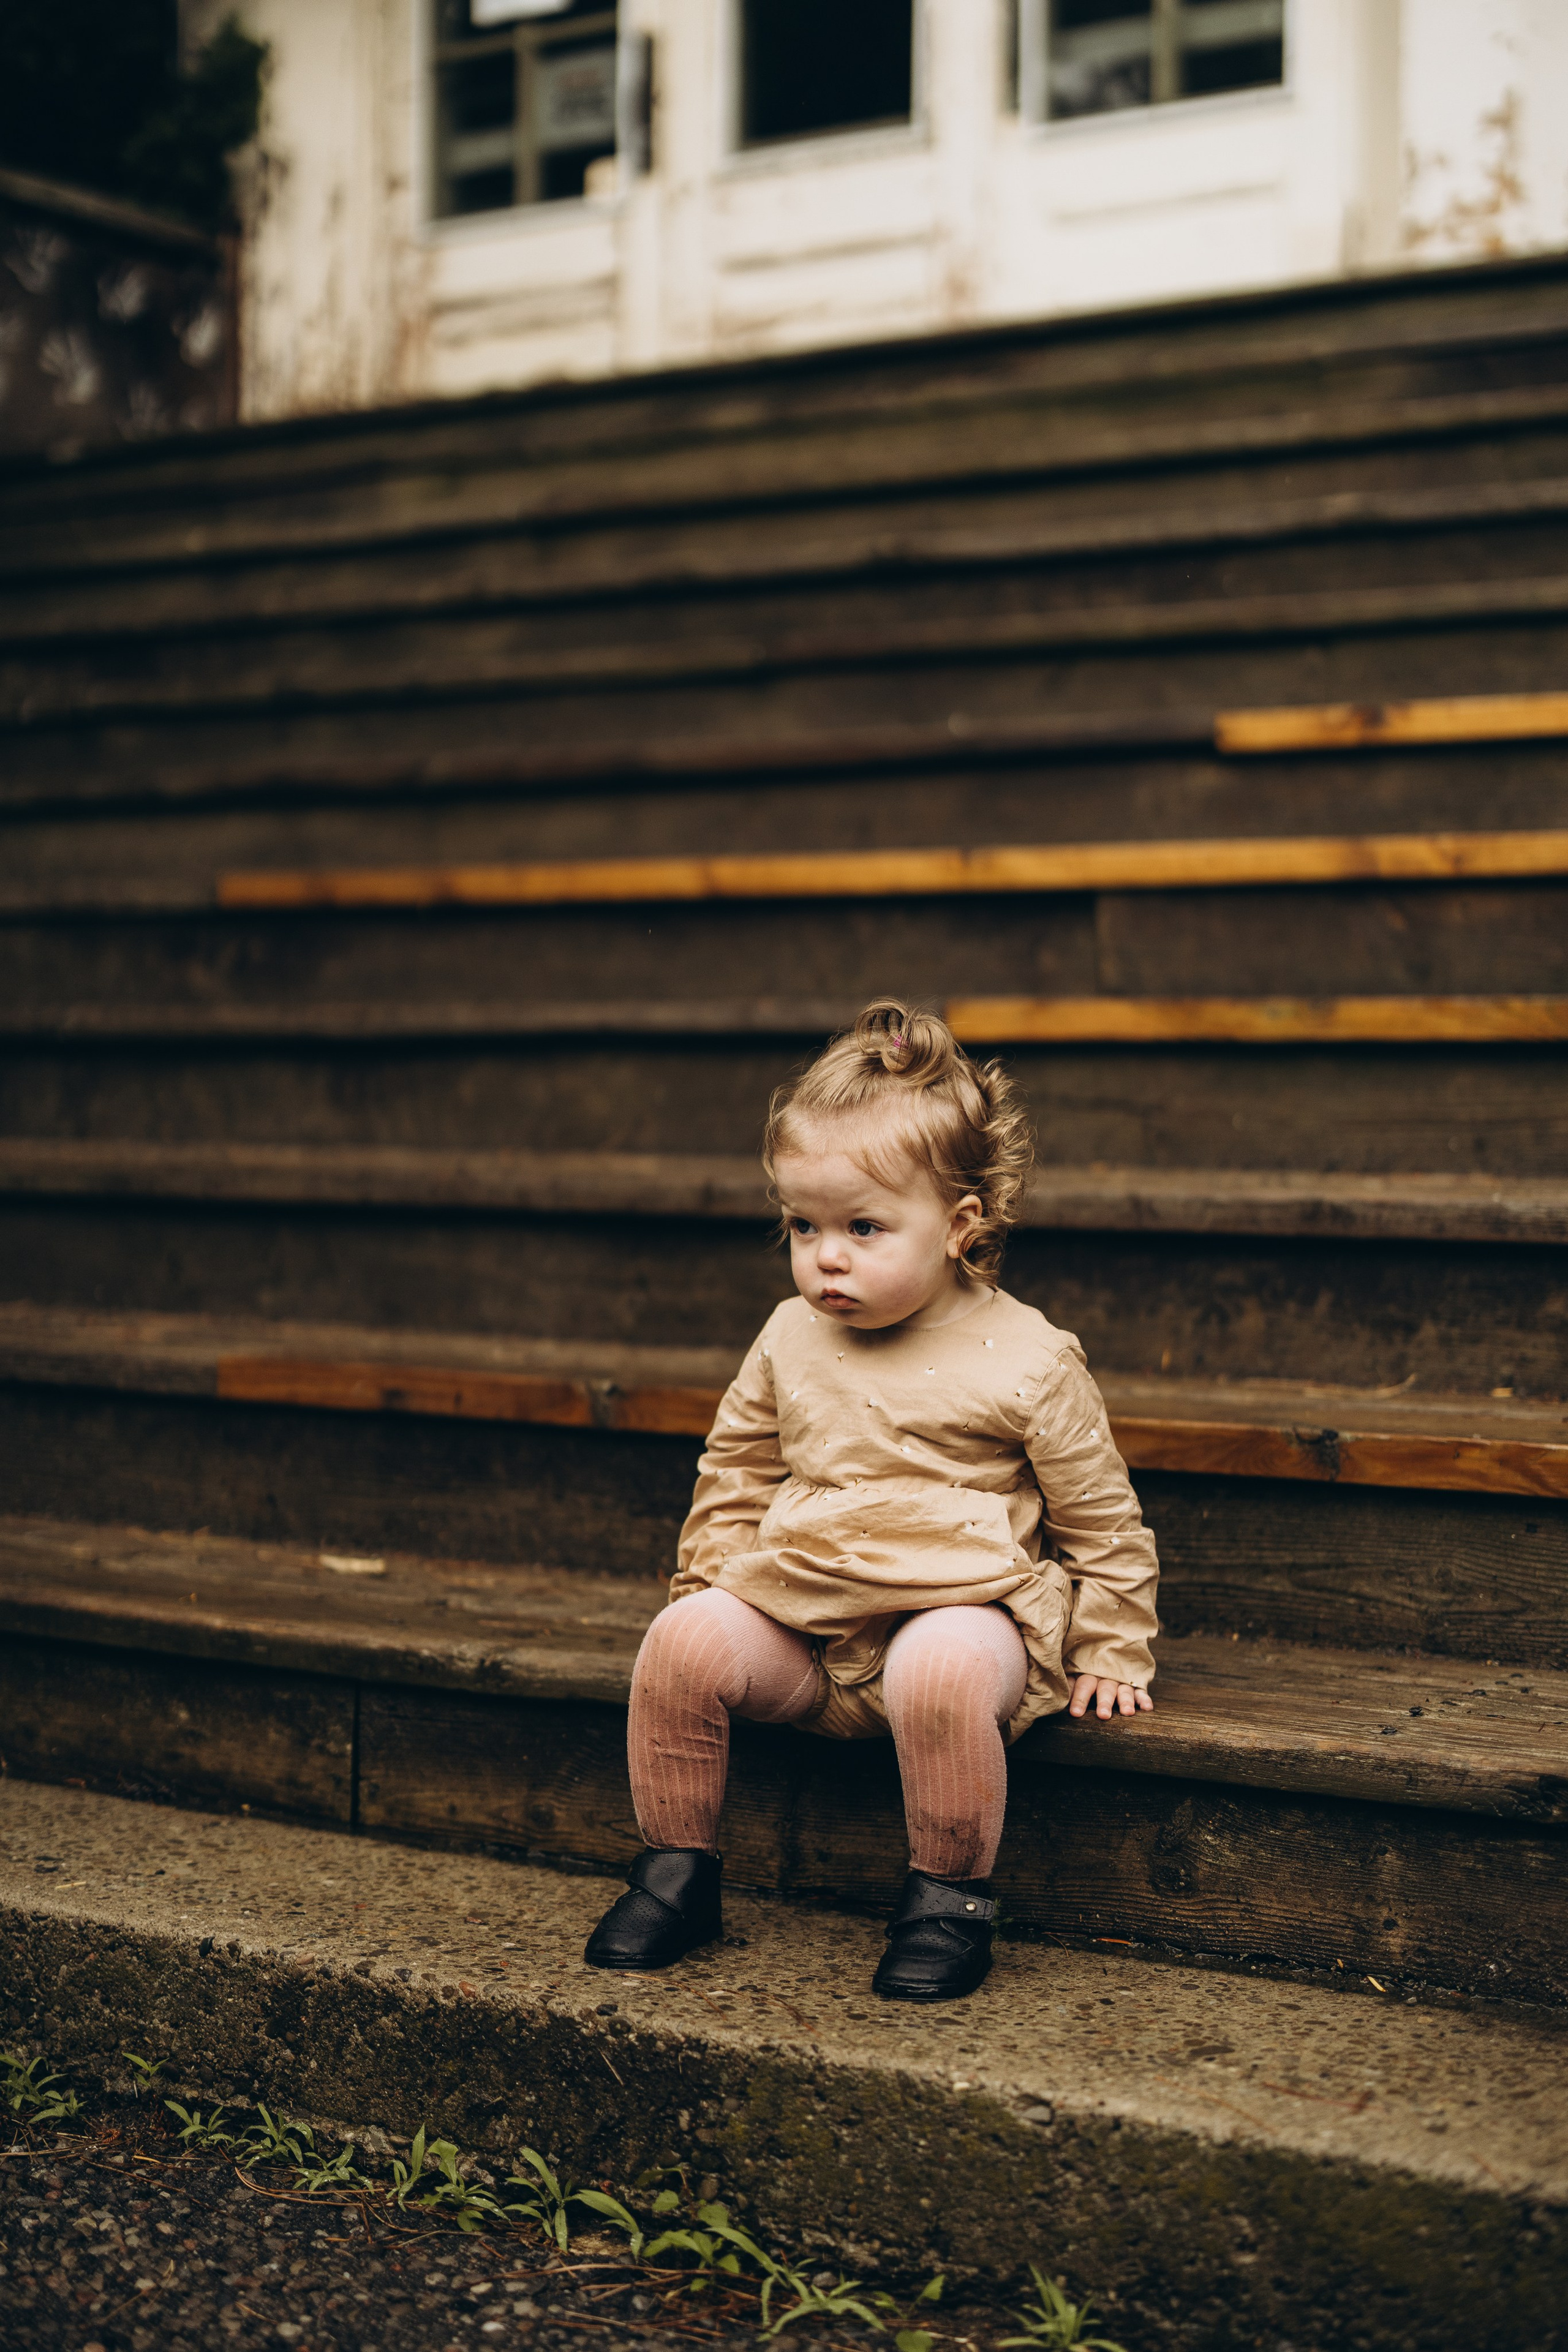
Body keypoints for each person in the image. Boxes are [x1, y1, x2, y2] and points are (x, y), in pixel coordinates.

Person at [584, 999, 1158, 2001]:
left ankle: (947, 1899)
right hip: (807, 1624)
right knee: (680, 1643)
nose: (827, 1256)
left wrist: (1111, 1645)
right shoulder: (788, 1335)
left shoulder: (1030, 1358)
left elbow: (1101, 1520)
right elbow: (738, 1467)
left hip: (959, 1613)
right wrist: (709, 1583)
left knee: (937, 1667)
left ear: (960, 1227)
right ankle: (676, 1875)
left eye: (863, 1227)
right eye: (802, 1225)